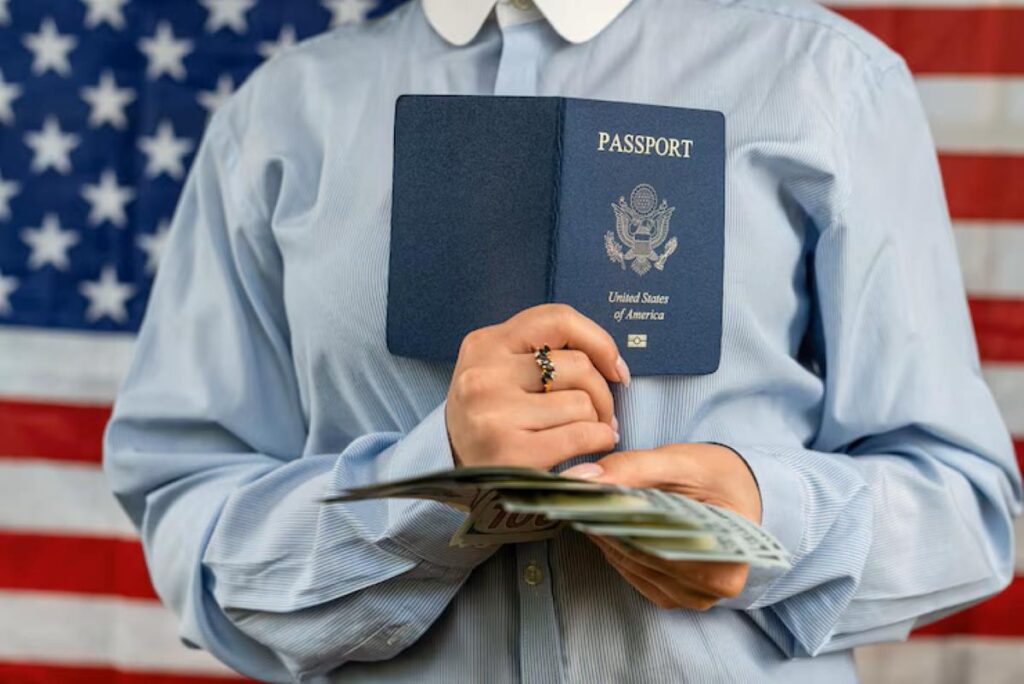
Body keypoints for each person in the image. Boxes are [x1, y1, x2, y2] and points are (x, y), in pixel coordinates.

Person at [103, 0, 1023, 681]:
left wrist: (767, 517)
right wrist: (436, 484)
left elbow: (966, 504)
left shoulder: (827, 82)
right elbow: (189, 516)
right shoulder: (279, 120)